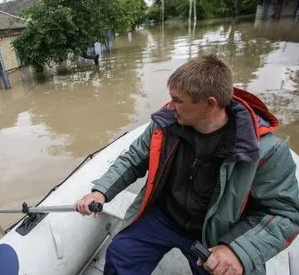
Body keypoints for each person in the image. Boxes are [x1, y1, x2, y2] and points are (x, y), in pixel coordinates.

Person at [75, 55, 299, 275]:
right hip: (164, 216)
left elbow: (285, 213)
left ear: (209, 105)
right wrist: (101, 192)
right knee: (120, 253)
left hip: (215, 235)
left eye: (178, 100)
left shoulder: (268, 151)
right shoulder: (164, 125)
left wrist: (237, 251)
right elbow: (133, 158)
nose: (170, 106)